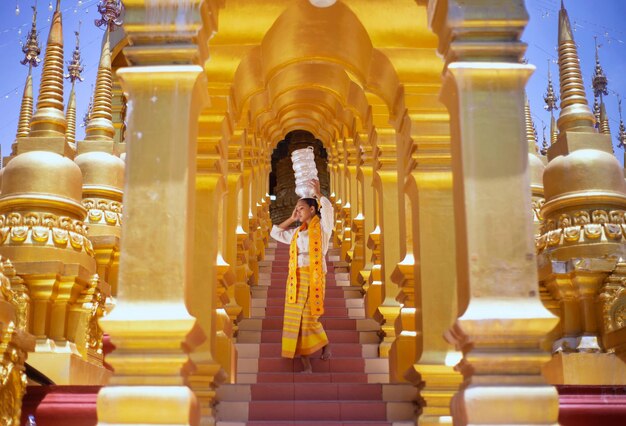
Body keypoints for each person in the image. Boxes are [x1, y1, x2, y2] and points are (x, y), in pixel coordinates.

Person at [270, 179, 334, 373]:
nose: (298, 212)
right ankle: (306, 364)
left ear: (313, 210)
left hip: (314, 275)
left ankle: (324, 344)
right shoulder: (297, 232)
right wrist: (291, 218)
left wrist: (318, 194)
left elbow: (329, 210)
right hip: (296, 279)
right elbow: (275, 233)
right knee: (296, 320)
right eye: (296, 209)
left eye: (301, 209)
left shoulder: (323, 229)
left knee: (308, 318)